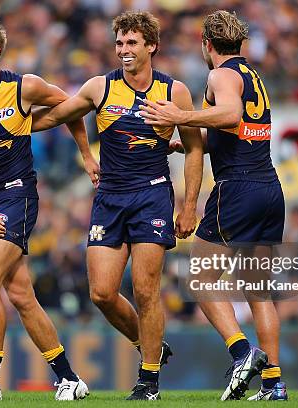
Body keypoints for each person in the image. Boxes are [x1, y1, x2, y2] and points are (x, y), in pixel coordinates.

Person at [32, 11, 204, 400]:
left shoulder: (173, 92)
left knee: (146, 290)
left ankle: (149, 381)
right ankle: (150, 346)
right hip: (109, 197)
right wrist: (10, 124)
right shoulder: (99, 87)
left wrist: (190, 205)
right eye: (119, 43)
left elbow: (195, 149)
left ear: (151, 46)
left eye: (132, 43)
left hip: (152, 194)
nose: (124, 50)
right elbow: (60, 114)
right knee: (102, 294)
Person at [0, 15, 94, 401]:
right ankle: (69, 377)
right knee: (21, 294)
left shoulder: (24, 87)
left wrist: (86, 155)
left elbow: (72, 106)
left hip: (17, 195)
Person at [140, 10, 288, 401]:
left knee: (199, 279)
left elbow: (230, 114)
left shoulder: (221, 75)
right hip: (269, 189)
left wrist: (181, 116)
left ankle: (242, 353)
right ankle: (274, 384)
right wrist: (190, 144)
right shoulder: (253, 77)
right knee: (258, 292)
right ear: (240, 43)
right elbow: (241, 131)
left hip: (237, 189)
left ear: (206, 44)